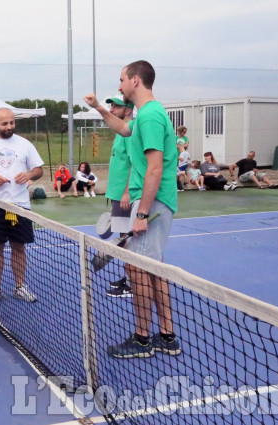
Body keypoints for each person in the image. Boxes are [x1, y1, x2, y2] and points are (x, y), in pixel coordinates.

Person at [84, 59, 181, 359]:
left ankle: (142, 340)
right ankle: (166, 335)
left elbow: (154, 169)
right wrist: (100, 108)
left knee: (139, 271)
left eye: (122, 80)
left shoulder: (151, 116)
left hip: (151, 203)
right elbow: (124, 129)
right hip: (148, 202)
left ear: (136, 80)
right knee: (153, 270)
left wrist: (141, 214)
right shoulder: (144, 116)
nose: (119, 85)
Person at [0, 108, 44, 305]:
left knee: (19, 248)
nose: (9, 127)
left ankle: (20, 286)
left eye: (12, 123)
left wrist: (29, 175)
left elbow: (39, 170)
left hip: (20, 206)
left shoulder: (25, 145)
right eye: (4, 124)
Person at [103, 94, 135, 298]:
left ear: (129, 110)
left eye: (117, 106)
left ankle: (133, 284)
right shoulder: (120, 131)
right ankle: (131, 278)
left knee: (128, 240)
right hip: (117, 194)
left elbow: (135, 164)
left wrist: (126, 193)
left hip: (125, 196)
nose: (112, 109)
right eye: (111, 106)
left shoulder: (130, 132)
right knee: (124, 238)